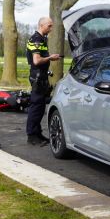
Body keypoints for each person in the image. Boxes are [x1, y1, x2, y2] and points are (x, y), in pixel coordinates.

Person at [26, 17, 60, 146]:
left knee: (40, 108)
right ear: (41, 25)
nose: (51, 29)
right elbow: (36, 61)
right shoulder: (37, 39)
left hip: (41, 76)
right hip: (38, 77)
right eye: (49, 26)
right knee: (36, 107)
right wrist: (50, 57)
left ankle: (38, 133)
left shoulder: (42, 39)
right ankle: (32, 136)